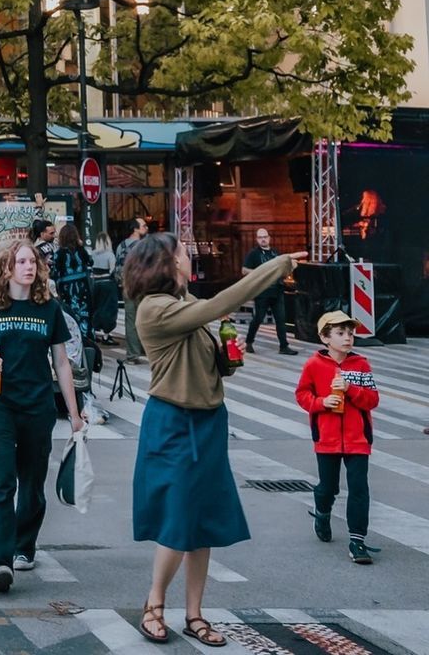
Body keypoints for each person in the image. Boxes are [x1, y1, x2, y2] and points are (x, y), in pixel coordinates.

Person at [124, 232, 301, 645]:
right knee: (178, 520)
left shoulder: (186, 305)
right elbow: (221, 303)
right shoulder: (154, 308)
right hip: (173, 421)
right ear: (165, 264)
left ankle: (194, 613)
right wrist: (277, 266)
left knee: (201, 521)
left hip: (209, 420)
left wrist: (226, 355)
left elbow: (212, 361)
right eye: (182, 253)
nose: (189, 257)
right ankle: (154, 604)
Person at [0, 239, 84, 593]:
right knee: (1, 479)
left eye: (33, 261)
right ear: (8, 268)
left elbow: (62, 363)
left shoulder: (48, 308)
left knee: (33, 483)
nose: (29, 266)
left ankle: (24, 544)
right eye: (22, 261)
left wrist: (75, 413)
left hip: (38, 406)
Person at [295, 311, 380, 565]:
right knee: (328, 487)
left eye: (350, 333)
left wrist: (351, 389)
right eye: (340, 334)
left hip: (358, 439)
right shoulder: (313, 365)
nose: (347, 338)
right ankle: (322, 512)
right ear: (325, 338)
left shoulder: (361, 365)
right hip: (327, 438)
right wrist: (321, 402)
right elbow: (301, 395)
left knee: (359, 489)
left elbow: (372, 399)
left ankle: (357, 541)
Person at [242, 228, 298, 355]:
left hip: (277, 290)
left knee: (280, 319)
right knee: (258, 318)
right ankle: (249, 342)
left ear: (269, 238)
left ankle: (284, 346)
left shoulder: (275, 253)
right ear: (256, 239)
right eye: (260, 237)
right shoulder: (254, 254)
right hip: (262, 291)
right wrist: (261, 273)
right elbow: (244, 270)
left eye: (265, 237)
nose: (263, 239)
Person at [115, 217, 149, 363]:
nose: (146, 228)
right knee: (146, 318)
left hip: (127, 285)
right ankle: (146, 349)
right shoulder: (144, 246)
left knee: (130, 320)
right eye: (144, 226)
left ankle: (132, 354)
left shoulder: (121, 246)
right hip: (142, 286)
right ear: (135, 229)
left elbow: (117, 266)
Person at [52, 222, 93, 337]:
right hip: (82, 287)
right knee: (84, 315)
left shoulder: (59, 253)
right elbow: (90, 262)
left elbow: (55, 273)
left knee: (69, 315)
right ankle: (86, 338)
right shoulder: (81, 250)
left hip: (66, 289)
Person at [89, 232, 118, 344]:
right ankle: (107, 335)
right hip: (107, 283)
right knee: (109, 309)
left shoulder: (93, 253)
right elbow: (112, 269)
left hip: (95, 283)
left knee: (96, 307)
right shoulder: (110, 254)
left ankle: (95, 332)